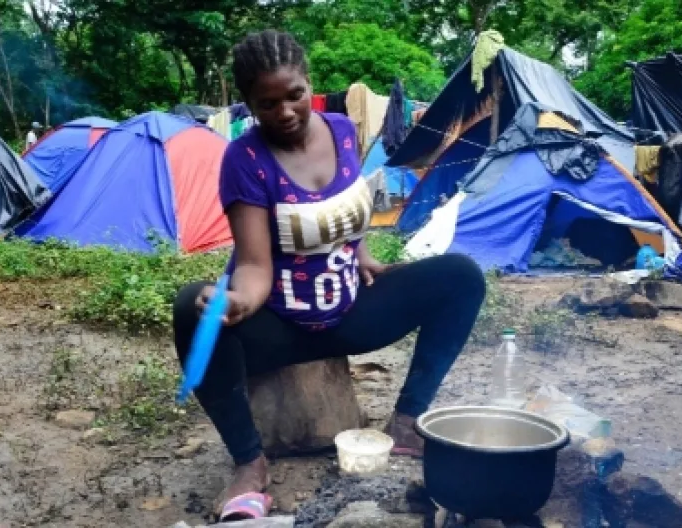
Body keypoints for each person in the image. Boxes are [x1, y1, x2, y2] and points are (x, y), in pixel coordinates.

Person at [172, 29, 486, 522]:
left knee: (461, 276)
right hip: (280, 328)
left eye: (293, 94)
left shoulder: (340, 130)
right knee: (190, 309)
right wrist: (238, 302)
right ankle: (250, 463)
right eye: (267, 103)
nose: (285, 111)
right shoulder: (244, 159)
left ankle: (407, 423)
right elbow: (254, 265)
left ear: (308, 82)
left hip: (349, 312)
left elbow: (346, 210)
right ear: (250, 104)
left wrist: (361, 254)